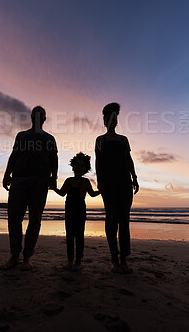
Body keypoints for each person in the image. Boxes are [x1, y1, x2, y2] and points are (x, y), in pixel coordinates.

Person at [0, 106, 58, 271]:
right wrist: (6, 174)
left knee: (35, 219)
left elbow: (54, 158)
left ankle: (27, 257)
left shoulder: (49, 138)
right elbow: (14, 155)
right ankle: (14, 255)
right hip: (19, 179)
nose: (38, 117)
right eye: (35, 114)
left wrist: (54, 177)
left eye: (41, 115)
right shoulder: (22, 136)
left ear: (45, 119)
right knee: (14, 217)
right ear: (31, 117)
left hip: (40, 180)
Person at [95, 102, 139, 274]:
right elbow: (98, 161)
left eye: (115, 117)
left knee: (124, 221)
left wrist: (134, 177)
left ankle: (123, 259)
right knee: (112, 220)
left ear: (117, 121)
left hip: (125, 182)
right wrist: (100, 181)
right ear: (104, 121)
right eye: (108, 117)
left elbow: (129, 160)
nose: (112, 120)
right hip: (109, 184)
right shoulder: (100, 140)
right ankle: (114, 258)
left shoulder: (123, 140)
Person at [53, 152, 100, 271]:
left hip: (80, 210)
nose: (79, 167)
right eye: (77, 165)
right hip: (69, 210)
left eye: (82, 166)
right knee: (69, 236)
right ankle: (70, 261)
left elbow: (92, 194)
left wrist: (102, 191)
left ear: (86, 169)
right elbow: (62, 193)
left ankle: (78, 261)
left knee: (79, 235)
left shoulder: (85, 182)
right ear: (73, 166)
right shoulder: (68, 180)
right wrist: (53, 188)